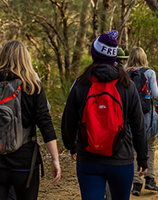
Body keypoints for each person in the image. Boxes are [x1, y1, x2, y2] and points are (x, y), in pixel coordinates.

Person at [61, 30, 149, 200]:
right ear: (114, 57)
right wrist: (143, 159)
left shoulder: (81, 83)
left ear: (94, 54)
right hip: (121, 160)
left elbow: (68, 121)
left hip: (88, 159)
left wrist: (72, 146)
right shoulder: (127, 84)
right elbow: (138, 125)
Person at [0, 40, 61, 200]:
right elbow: (45, 123)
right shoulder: (32, 87)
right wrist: (55, 159)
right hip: (24, 165)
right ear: (25, 59)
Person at [125, 47, 158, 196]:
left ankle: (136, 184)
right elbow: (155, 94)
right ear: (144, 58)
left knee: (135, 148)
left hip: (130, 117)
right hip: (148, 117)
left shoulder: (124, 74)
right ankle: (150, 179)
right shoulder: (149, 73)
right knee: (150, 146)